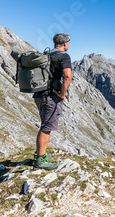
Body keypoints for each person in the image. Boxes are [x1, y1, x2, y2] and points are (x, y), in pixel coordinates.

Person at [32, 33, 72, 169]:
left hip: (38, 95)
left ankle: (41, 155)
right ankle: (40, 160)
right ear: (65, 43)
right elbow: (67, 75)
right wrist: (62, 93)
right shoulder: (63, 56)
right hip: (50, 96)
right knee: (46, 127)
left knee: (45, 124)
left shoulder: (46, 55)